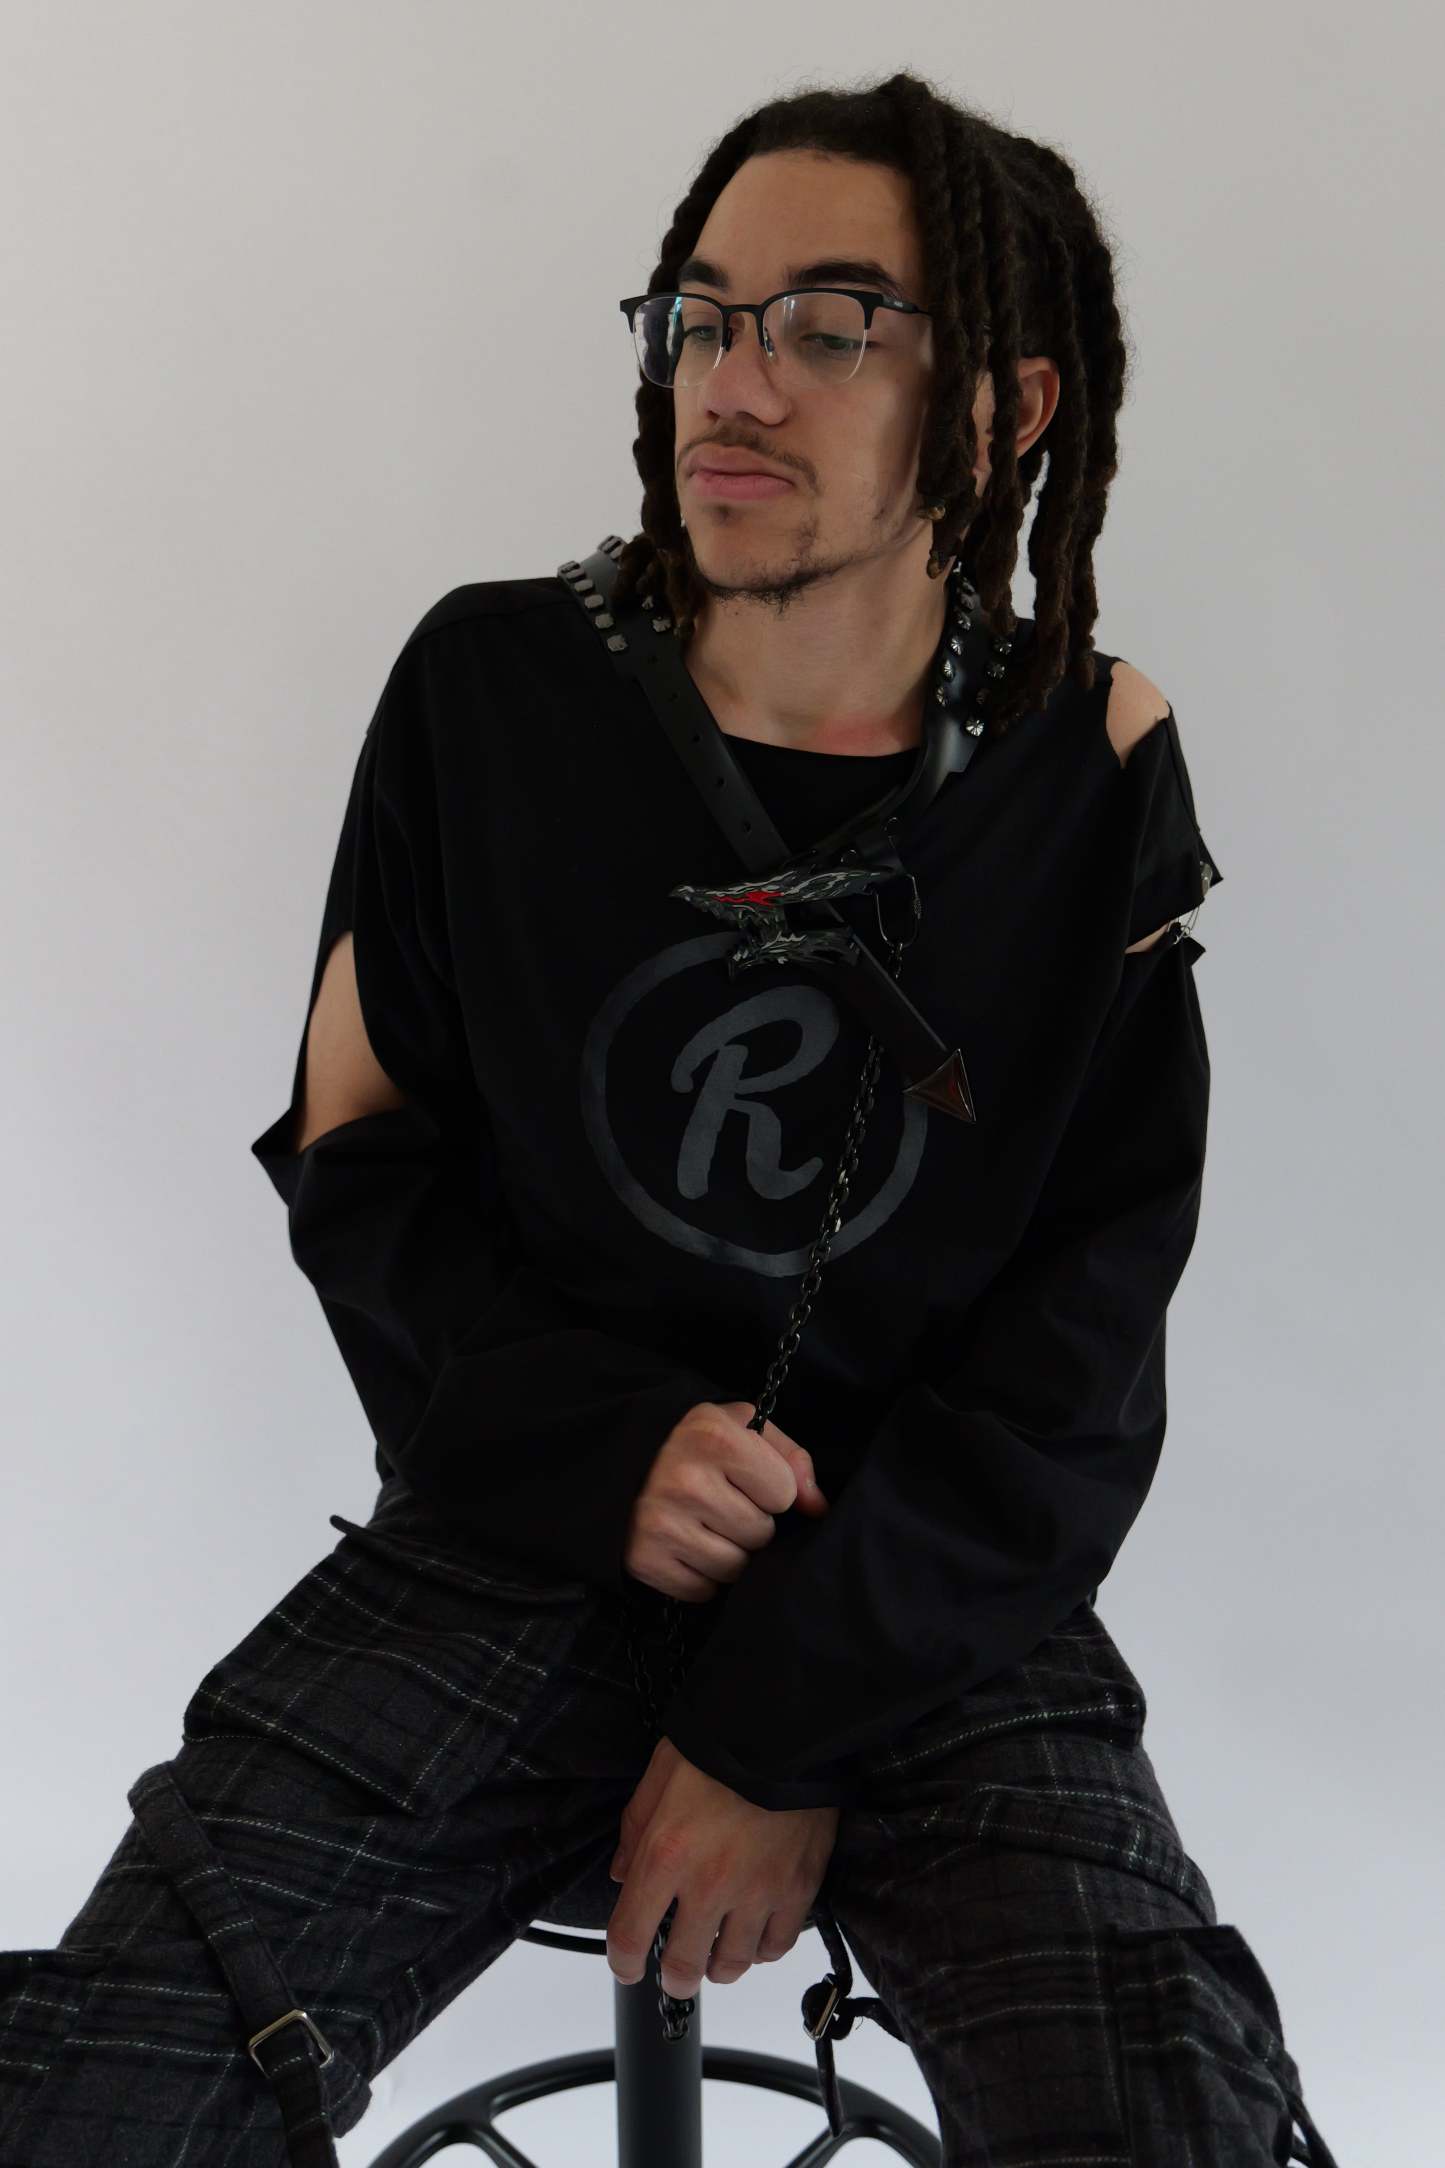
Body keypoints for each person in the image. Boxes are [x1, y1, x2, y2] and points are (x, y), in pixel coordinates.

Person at [0, 70, 1341, 2168]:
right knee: (87, 2104)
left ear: (1006, 408)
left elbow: (1085, 1332)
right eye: (702, 315)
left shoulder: (1086, 762)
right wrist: (601, 1449)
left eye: (830, 323)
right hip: (517, 1537)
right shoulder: (491, 689)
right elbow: (360, 1168)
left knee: (1169, 2118)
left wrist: (776, 1717)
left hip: (918, 1589)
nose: (736, 377)